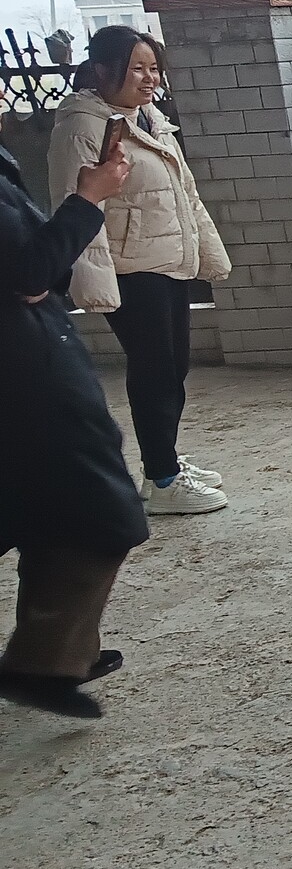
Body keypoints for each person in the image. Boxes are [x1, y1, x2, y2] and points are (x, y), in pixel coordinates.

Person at [50, 26, 232, 516]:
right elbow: (76, 204)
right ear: (103, 70)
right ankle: (163, 478)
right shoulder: (83, 126)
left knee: (173, 368)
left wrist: (205, 251)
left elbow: (184, 194)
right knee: (154, 372)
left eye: (153, 68)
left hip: (169, 261)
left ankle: (165, 462)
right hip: (132, 269)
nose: (148, 78)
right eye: (136, 68)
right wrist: (95, 283)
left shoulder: (147, 117)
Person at [1, 123, 149, 720]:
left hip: (29, 354)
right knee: (97, 506)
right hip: (20, 369)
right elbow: (29, 268)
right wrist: (88, 198)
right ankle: (44, 660)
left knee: (54, 505)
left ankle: (53, 654)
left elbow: (33, 268)